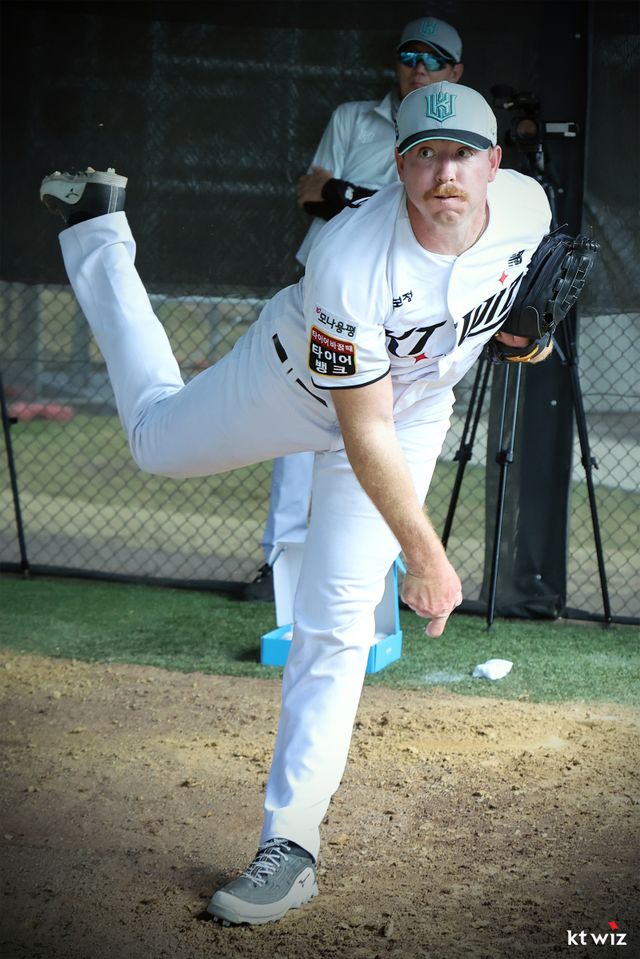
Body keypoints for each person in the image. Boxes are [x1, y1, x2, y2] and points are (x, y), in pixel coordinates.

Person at [40, 81, 552, 926]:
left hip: (415, 407)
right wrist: (425, 555)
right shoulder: (352, 259)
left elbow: (508, 311)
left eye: (462, 153)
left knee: (337, 619)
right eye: (424, 154)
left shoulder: (528, 209)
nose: (444, 173)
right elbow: (363, 430)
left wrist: (524, 335)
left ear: (495, 162)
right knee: (154, 441)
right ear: (398, 167)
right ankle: (97, 230)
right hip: (294, 385)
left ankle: (292, 844)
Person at [244, 15, 465, 601]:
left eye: (433, 60)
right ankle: (279, 564)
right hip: (328, 292)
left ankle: (375, 572)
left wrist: (346, 196)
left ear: (456, 72)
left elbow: (446, 213)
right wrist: (373, 201)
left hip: (407, 309)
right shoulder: (353, 117)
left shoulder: (461, 138)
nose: (419, 69)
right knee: (300, 421)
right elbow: (310, 192)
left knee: (385, 432)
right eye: (409, 57)